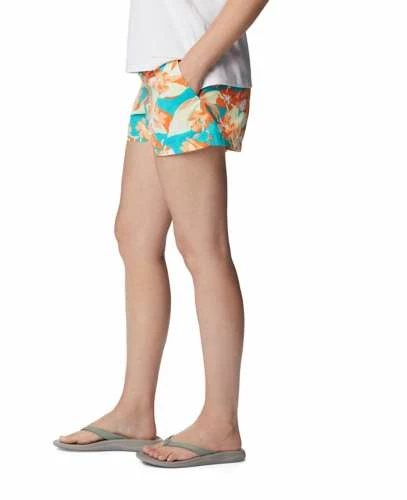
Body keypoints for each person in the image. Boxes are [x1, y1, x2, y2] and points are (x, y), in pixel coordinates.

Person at [55, 0, 269, 468]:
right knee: (135, 235)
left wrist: (194, 64)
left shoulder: (191, 67)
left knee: (203, 247)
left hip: (194, 72)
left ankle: (220, 424)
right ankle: (134, 410)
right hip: (163, 74)